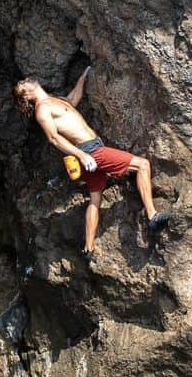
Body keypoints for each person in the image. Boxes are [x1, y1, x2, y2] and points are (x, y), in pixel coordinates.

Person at [13, 67, 171, 262]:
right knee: (142, 165)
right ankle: (152, 216)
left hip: (91, 150)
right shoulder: (42, 110)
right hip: (90, 151)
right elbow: (54, 138)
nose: (27, 79)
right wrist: (82, 155)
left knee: (95, 198)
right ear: (27, 95)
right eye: (24, 83)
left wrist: (83, 76)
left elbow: (71, 101)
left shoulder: (53, 100)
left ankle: (88, 248)